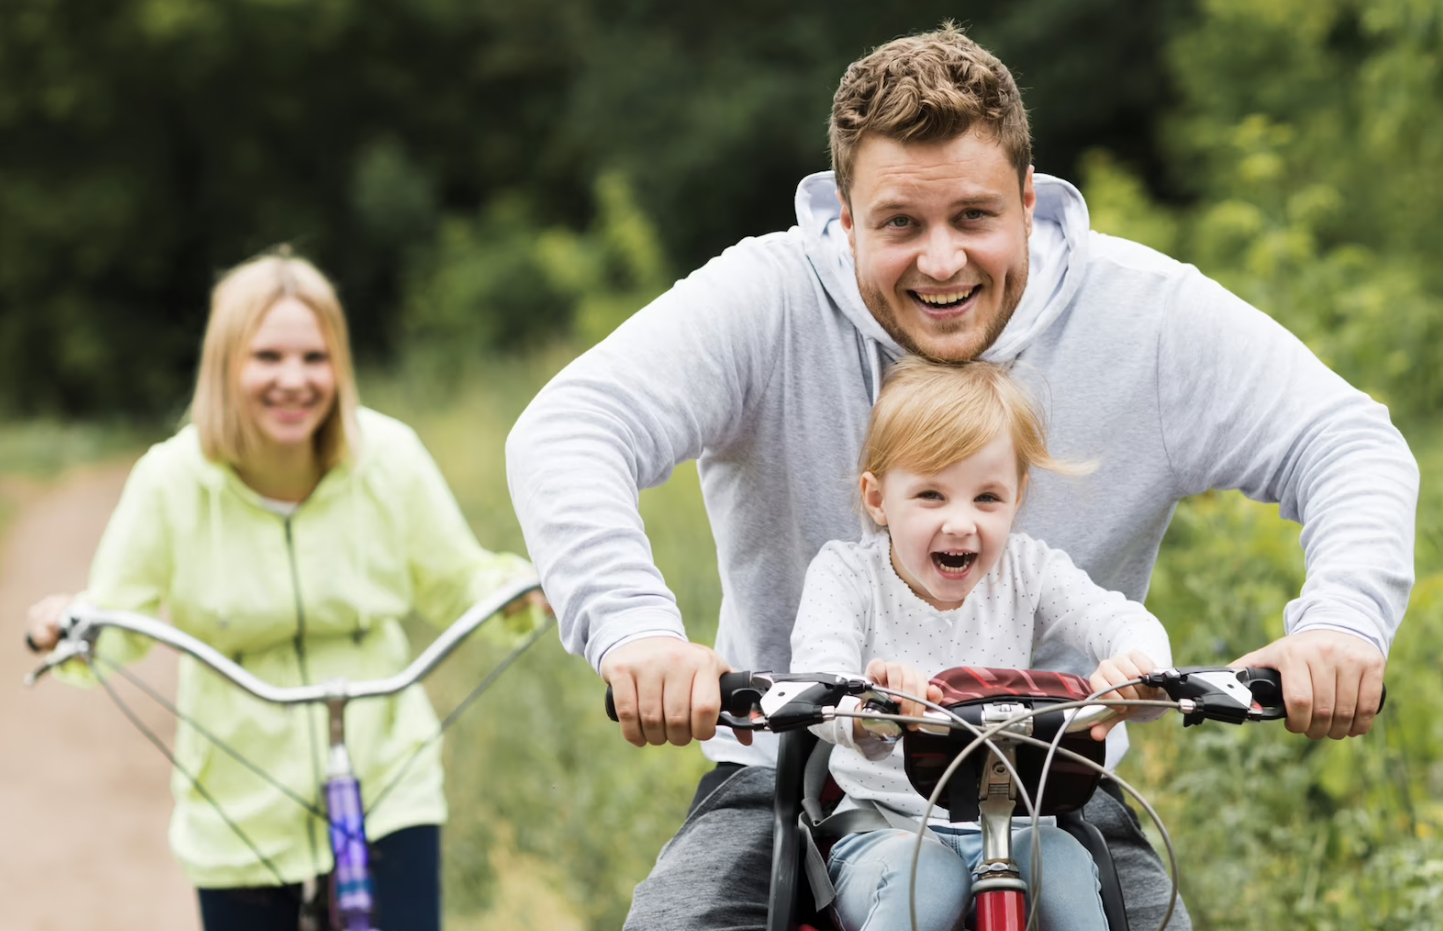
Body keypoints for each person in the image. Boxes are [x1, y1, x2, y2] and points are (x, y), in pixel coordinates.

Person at [506, 23, 1417, 931]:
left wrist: (1338, 623)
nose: (940, 262)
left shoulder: (1149, 320)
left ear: (1027, 201)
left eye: (973, 217)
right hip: (790, 763)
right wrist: (635, 634)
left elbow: (1343, 440)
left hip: (1054, 781)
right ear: (846, 218)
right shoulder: (766, 301)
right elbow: (571, 426)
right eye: (900, 223)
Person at [25, 250, 543, 931]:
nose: (293, 380)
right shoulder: (169, 481)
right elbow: (115, 620)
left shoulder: (388, 457)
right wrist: (71, 626)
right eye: (267, 356)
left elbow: (458, 582)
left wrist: (525, 589)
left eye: (315, 358)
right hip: (237, 801)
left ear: (339, 366)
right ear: (225, 365)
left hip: (388, 782)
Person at [792, 357, 1171, 931]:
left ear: (1018, 496)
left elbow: (1115, 617)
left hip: (1018, 823)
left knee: (1068, 872)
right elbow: (820, 674)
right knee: (927, 882)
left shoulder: (1028, 569)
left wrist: (1139, 668)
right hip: (884, 825)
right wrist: (871, 709)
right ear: (877, 498)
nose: (962, 523)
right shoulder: (847, 575)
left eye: (987, 498)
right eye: (930, 495)